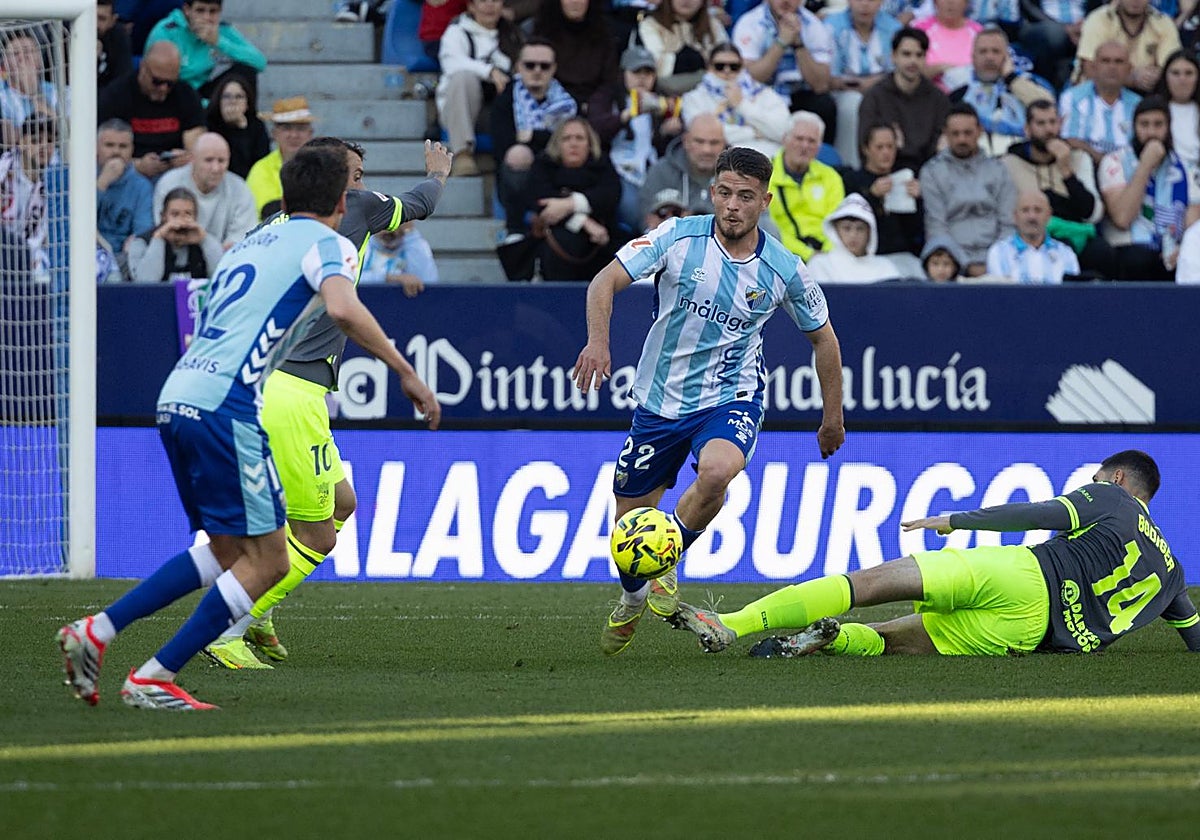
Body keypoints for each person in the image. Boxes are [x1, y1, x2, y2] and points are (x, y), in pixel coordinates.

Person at [56, 145, 442, 710]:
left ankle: (99, 631)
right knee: (272, 558)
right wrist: (406, 372)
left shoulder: (252, 241)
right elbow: (342, 307)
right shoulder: (328, 243)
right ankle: (155, 674)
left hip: (181, 392)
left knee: (229, 547)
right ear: (342, 200)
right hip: (229, 404)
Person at [572, 145, 845, 657]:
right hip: (658, 400)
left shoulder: (784, 269)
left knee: (718, 471)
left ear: (764, 201)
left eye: (745, 196)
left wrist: (833, 419)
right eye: (724, 193)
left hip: (731, 395)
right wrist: (598, 341)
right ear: (712, 193)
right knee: (629, 530)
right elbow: (604, 280)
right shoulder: (677, 237)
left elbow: (825, 340)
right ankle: (633, 601)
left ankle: (669, 558)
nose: (732, 205)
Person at [201, 138, 453, 669]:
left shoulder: (267, 229)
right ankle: (227, 626)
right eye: (354, 175)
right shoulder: (353, 209)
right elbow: (421, 204)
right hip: (291, 393)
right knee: (316, 533)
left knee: (341, 503)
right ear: (334, 184)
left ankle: (258, 614)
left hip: (253, 385)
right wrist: (438, 171)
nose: (360, 186)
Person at [669, 450, 1200, 659]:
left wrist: (956, 520)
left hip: (1024, 573)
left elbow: (1035, 515)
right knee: (900, 640)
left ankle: (734, 624)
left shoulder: (1110, 496)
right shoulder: (1174, 571)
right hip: (1037, 637)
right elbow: (1194, 638)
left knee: (870, 584)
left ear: (1119, 478)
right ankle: (833, 639)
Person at [1002, 99, 1110, 277]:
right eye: (1041, 123)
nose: (1048, 130)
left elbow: (1093, 213)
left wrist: (1066, 170)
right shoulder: (1010, 163)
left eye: (1053, 122)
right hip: (1032, 234)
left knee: (1102, 252)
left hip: (1076, 232)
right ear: (1027, 130)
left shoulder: (1079, 158)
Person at [1098, 95, 1200, 280]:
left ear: (1168, 128)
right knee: (1140, 259)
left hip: (1173, 250)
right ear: (1134, 127)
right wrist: (1145, 165)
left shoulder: (1185, 167)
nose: (1151, 132)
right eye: (1144, 125)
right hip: (1129, 248)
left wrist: (1183, 250)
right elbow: (1122, 217)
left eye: (1158, 124)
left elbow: (1193, 223)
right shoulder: (1114, 161)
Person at [491, 38, 579, 239]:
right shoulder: (505, 99)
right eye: (530, 65)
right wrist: (547, 139)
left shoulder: (567, 101)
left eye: (544, 65)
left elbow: (570, 143)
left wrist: (531, 136)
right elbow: (504, 147)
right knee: (517, 155)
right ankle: (516, 229)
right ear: (518, 67)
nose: (537, 71)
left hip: (560, 172)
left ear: (554, 68)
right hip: (521, 179)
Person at [518, 116, 621, 282]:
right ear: (558, 144)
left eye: (580, 138)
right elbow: (541, 202)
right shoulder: (544, 165)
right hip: (556, 243)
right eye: (567, 138)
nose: (574, 143)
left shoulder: (602, 165)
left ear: (589, 143)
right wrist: (584, 222)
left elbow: (609, 195)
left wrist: (570, 203)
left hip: (601, 241)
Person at [920, 102, 1017, 274]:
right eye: (955, 134)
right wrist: (962, 264)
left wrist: (995, 262)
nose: (961, 139)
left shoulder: (998, 170)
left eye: (967, 133)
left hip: (997, 261)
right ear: (946, 134)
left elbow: (1008, 223)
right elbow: (936, 227)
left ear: (980, 131)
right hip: (951, 263)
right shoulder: (931, 172)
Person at [435, 0, 523, 177]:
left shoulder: (513, 34)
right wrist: (489, 71)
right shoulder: (457, 31)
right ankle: (462, 155)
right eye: (482, 1)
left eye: (495, 1)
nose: (489, 6)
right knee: (462, 77)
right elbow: (452, 64)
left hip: (500, 107)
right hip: (461, 110)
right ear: (471, 6)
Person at [731, 0, 838, 145]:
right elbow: (751, 78)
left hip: (799, 94)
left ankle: (823, 160)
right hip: (761, 95)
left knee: (824, 104)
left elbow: (821, 85)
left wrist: (798, 43)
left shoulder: (813, 25)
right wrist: (781, 42)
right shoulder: (749, 23)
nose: (786, 1)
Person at [97, 41, 206, 182]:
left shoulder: (186, 94)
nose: (163, 88)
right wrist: (137, 166)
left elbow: (196, 147)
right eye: (157, 81)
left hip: (175, 176)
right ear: (143, 68)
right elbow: (105, 151)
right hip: (126, 174)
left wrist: (184, 158)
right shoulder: (116, 95)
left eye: (170, 83)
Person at [857, 27, 952, 173]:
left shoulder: (939, 100)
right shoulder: (874, 97)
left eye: (919, 55)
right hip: (885, 177)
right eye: (906, 54)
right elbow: (865, 149)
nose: (913, 61)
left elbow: (941, 148)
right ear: (894, 56)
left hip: (928, 177)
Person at [612, 46, 685, 232]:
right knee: (633, 210)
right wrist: (626, 115)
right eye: (636, 72)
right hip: (620, 170)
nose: (642, 78)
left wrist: (669, 131)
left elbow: (665, 147)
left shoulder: (662, 101)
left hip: (652, 171)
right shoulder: (610, 98)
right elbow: (598, 129)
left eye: (648, 72)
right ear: (623, 74)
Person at [948, 27, 1052, 155]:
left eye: (996, 51)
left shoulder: (1027, 83)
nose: (989, 57)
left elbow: (1048, 106)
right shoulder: (960, 94)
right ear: (973, 57)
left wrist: (1010, 78)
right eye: (983, 52)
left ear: (1007, 56)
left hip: (1022, 156)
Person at [825, 0, 903, 169]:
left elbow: (897, 71)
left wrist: (870, 84)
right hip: (843, 92)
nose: (865, 5)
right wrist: (863, 84)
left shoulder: (893, 28)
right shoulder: (831, 25)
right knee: (852, 104)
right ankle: (850, 168)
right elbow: (830, 77)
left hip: (884, 91)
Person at [532, 0, 622, 145]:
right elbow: (539, 76)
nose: (575, 2)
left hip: (594, 108)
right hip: (554, 105)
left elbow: (609, 80)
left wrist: (594, 105)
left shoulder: (605, 33)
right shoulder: (542, 31)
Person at [680, 42, 790, 161]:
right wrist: (756, 133)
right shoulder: (694, 98)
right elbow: (706, 135)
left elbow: (783, 132)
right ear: (709, 67)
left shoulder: (763, 93)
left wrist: (742, 105)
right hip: (725, 161)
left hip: (772, 159)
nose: (727, 71)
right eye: (720, 66)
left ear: (742, 67)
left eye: (734, 66)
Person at [144, 0, 268, 102]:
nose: (206, 18)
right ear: (187, 10)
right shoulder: (166, 31)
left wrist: (219, 42)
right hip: (173, 92)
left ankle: (247, 125)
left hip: (203, 89)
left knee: (246, 71)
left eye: (213, 12)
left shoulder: (222, 30)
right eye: (200, 11)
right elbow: (155, 76)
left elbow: (260, 62)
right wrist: (207, 104)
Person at [153, 132, 258, 249]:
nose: (215, 168)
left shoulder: (240, 189)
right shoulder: (169, 184)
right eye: (208, 160)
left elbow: (241, 242)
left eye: (221, 161)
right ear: (193, 159)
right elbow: (165, 232)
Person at [841, 122, 924, 268]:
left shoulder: (904, 179)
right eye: (879, 147)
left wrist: (917, 201)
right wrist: (872, 196)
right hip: (866, 259)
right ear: (866, 149)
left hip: (904, 256)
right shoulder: (852, 180)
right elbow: (849, 225)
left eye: (890, 146)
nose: (886, 152)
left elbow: (915, 232)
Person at [768, 111, 846, 260]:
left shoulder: (831, 177)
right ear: (785, 139)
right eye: (799, 139)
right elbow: (768, 229)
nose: (805, 146)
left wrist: (826, 255)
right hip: (780, 256)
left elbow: (837, 226)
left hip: (826, 257)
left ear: (819, 146)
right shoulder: (765, 176)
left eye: (812, 141)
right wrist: (807, 254)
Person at [1057, 41, 1142, 167]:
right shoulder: (1072, 97)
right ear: (1093, 67)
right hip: (1085, 168)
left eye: (1119, 62)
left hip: (1128, 171)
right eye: (1105, 61)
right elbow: (1069, 139)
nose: (1112, 67)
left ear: (1129, 69)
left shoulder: (1138, 104)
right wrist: (1106, 162)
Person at [1073, 0, 1180, 94]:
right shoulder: (1099, 19)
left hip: (1147, 92)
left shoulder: (1163, 23)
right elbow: (1089, 68)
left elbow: (1173, 66)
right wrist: (1131, 79)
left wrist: (1154, 77)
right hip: (1096, 91)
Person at [125, 186, 224, 283]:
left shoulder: (204, 241)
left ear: (196, 217)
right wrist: (159, 239)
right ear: (163, 216)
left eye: (188, 214)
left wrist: (204, 240)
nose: (181, 220)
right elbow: (145, 283)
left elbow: (222, 278)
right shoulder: (141, 243)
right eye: (175, 214)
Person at [639, 112, 727, 219]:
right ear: (686, 141)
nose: (706, 150)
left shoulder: (738, 176)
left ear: (724, 144)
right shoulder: (661, 172)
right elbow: (646, 222)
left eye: (714, 143)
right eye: (699, 141)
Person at [985, 190, 1081, 283]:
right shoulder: (999, 253)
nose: (1032, 217)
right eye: (1025, 210)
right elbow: (1000, 297)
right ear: (1015, 216)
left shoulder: (1066, 254)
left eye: (1038, 210)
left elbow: (1072, 296)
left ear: (1049, 215)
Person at [637, 0, 729, 96]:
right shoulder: (651, 24)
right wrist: (687, 60)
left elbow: (726, 58)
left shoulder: (713, 24)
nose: (686, 1)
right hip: (665, 93)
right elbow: (654, 61)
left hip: (710, 93)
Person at [806, 193, 904, 282]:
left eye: (860, 229)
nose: (853, 235)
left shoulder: (886, 267)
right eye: (846, 228)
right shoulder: (820, 265)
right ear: (835, 230)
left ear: (870, 233)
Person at [246, 96, 316, 219]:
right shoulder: (261, 169)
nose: (294, 135)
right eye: (287, 128)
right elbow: (268, 211)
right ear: (274, 134)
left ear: (310, 133)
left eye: (300, 128)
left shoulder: (322, 166)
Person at [97, 119, 154, 262]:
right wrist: (101, 183)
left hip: (124, 257)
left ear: (132, 150)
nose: (116, 152)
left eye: (123, 146)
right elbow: (77, 221)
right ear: (96, 147)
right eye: (109, 145)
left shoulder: (142, 186)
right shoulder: (81, 179)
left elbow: (143, 231)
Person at [0, 30, 59, 148]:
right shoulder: (2, 95)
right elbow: (9, 139)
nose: (22, 58)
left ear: (39, 59)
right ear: (5, 63)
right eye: (16, 53)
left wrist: (33, 93)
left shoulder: (59, 92)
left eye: (28, 51)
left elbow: (65, 131)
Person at [205, 74, 271, 179]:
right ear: (219, 100)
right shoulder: (207, 124)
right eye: (227, 96)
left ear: (247, 103)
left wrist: (241, 129)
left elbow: (260, 163)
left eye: (239, 97)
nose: (232, 101)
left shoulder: (256, 126)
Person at [912, 0, 982, 92]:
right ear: (935, 2)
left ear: (966, 3)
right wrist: (938, 69)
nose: (950, 2)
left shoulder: (979, 32)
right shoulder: (919, 30)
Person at [1020, 0, 1086, 92]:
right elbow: (1028, 6)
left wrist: (1089, 22)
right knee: (1055, 34)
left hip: (1083, 24)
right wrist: (1064, 27)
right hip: (1041, 23)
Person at [358, 221, 439, 293]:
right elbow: (351, 280)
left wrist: (410, 234)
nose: (388, 230)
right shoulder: (362, 245)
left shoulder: (415, 245)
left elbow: (428, 281)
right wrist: (389, 278)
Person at [1152, 50, 1200, 171]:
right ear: (1165, 77)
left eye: (1189, 73)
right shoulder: (1153, 110)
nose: (1182, 79)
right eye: (1175, 73)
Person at [97, 0, 134, 101]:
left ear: (113, 20)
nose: (95, 24)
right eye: (91, 17)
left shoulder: (120, 37)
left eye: (101, 19)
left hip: (107, 101)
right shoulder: (69, 33)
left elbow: (123, 80)